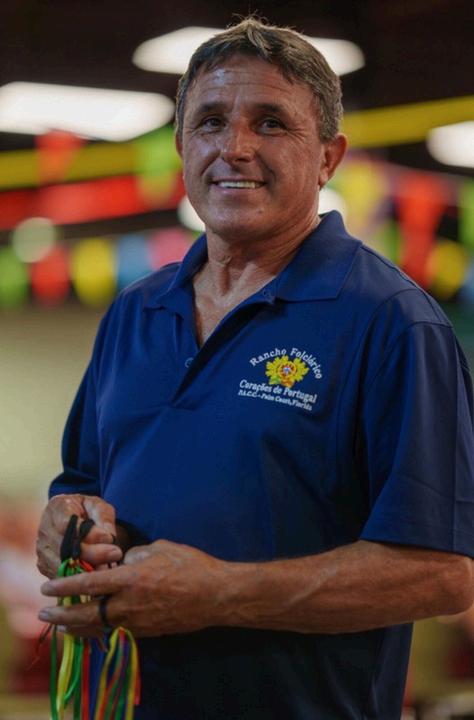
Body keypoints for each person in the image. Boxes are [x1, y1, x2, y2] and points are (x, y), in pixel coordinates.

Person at [36, 17, 474, 720]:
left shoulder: (391, 321)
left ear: (328, 157)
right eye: (210, 122)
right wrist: (66, 525)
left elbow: (442, 574)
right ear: (182, 147)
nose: (234, 147)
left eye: (270, 123)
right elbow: (80, 483)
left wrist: (220, 594)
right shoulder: (135, 311)